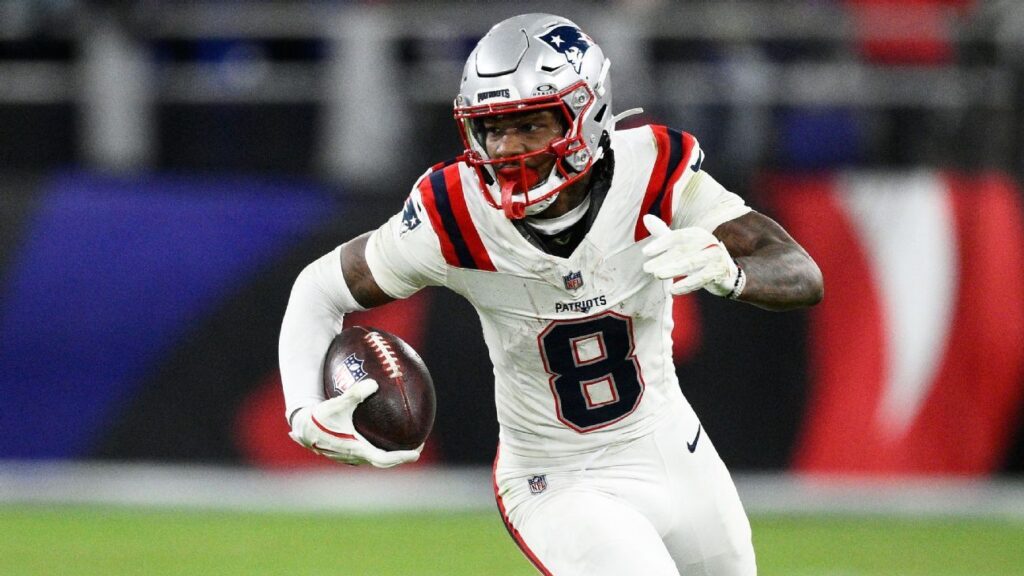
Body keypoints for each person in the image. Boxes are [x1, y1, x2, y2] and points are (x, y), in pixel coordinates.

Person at [279, 13, 823, 576]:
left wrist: (730, 271)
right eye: (492, 129)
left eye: (530, 126)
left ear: (586, 116)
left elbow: (801, 273)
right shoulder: (455, 212)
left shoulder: (654, 170)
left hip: (675, 451)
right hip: (558, 480)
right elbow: (319, 289)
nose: (507, 149)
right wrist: (303, 409)